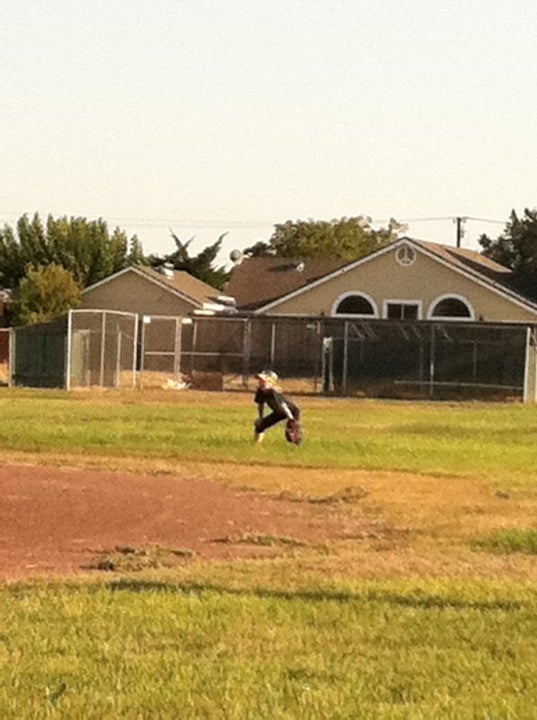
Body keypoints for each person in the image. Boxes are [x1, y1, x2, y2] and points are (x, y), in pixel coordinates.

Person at [253, 370, 302, 444]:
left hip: (291, 411)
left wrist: (291, 419)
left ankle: (297, 446)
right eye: (259, 380)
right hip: (279, 412)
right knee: (260, 425)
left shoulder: (274, 392)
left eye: (263, 381)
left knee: (293, 433)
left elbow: (283, 405)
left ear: (271, 383)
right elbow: (261, 405)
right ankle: (255, 445)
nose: (260, 382)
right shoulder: (260, 391)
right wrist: (261, 418)